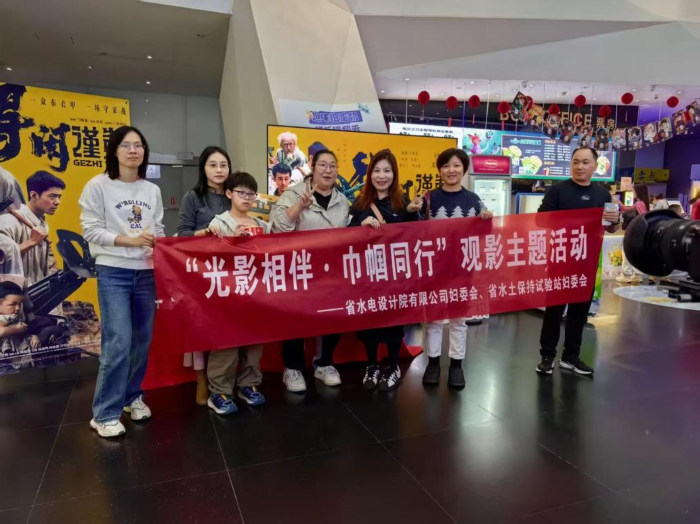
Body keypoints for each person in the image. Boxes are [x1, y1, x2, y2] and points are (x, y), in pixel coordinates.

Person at [79, 125, 164, 438]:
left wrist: (163, 247)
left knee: (142, 340)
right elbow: (90, 230)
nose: (133, 150)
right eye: (126, 145)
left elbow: (158, 229)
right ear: (114, 150)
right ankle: (104, 413)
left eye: (138, 145)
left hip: (146, 272)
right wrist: (129, 241)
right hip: (113, 270)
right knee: (118, 342)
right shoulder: (98, 185)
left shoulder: (151, 190)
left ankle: (132, 396)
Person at [536, 147, 621, 377]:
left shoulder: (603, 195)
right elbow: (540, 220)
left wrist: (616, 219)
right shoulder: (557, 190)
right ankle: (547, 356)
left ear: (595, 166)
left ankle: (571, 356)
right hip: (560, 261)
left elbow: (611, 227)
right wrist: (574, 220)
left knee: (579, 312)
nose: (579, 167)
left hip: (587, 263)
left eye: (585, 162)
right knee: (554, 311)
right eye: (575, 162)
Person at [271, 149, 349, 392]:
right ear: (312, 167)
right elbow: (277, 228)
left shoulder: (342, 201)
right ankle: (292, 368)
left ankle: (324, 363)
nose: (328, 170)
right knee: (296, 318)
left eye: (332, 166)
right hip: (299, 269)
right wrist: (298, 207)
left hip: (331, 272)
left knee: (332, 315)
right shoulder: (294, 193)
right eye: (323, 165)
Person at [348, 149, 421, 391]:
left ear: (394, 174)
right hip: (367, 276)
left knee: (393, 323)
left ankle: (393, 366)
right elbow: (345, 236)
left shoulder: (403, 202)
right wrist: (360, 226)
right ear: (370, 174)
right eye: (377, 171)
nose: (382, 176)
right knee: (369, 323)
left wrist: (413, 214)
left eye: (387, 171)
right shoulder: (359, 204)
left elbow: (415, 236)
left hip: (395, 277)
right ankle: (372, 365)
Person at [421, 148, 493, 389]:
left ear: (464, 169)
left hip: (462, 269)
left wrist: (487, 219)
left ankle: (456, 366)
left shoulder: (473, 200)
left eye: (456, 165)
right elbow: (414, 230)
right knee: (432, 319)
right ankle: (432, 364)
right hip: (433, 269)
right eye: (445, 166)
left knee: (458, 320)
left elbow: (484, 234)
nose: (451, 170)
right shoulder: (429, 198)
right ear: (439, 170)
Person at [205, 172, 268, 415]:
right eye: (241, 192)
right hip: (226, 295)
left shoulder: (261, 225)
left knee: (254, 343)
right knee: (226, 344)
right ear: (229, 193)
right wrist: (233, 242)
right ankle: (219, 391)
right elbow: (208, 257)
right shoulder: (218, 223)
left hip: (255, 294)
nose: (247, 197)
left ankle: (248, 385)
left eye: (251, 193)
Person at [177, 146, 232, 406]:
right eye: (213, 165)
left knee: (229, 326)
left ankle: (225, 381)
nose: (219, 170)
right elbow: (182, 233)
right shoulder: (193, 197)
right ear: (203, 168)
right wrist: (205, 233)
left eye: (223, 165)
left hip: (234, 270)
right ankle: (201, 378)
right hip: (202, 270)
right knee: (201, 326)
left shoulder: (234, 194)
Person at [0, 171, 65, 285]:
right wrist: (31, 242)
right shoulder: (7, 222)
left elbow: (48, 267)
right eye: (52, 196)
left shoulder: (42, 226)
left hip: (36, 293)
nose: (57, 202)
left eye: (59, 197)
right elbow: (2, 258)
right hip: (11, 293)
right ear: (34, 195)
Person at [0, 281, 39, 355]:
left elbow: (28, 326)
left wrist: (33, 335)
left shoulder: (16, 314)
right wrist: (17, 329)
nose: (18, 308)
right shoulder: (3, 317)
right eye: (12, 304)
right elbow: (1, 331)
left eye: (20, 303)